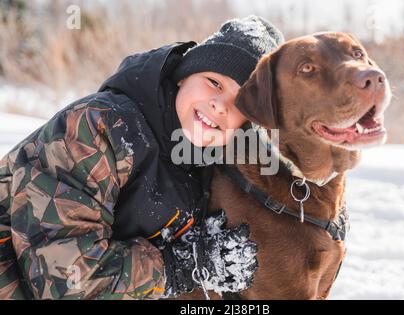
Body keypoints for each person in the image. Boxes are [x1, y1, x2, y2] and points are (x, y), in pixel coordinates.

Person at [0, 15, 284, 299]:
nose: (219, 106)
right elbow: (65, 282)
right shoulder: (98, 128)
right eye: (214, 82)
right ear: (184, 74)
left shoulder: (210, 167)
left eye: (239, 103)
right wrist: (182, 267)